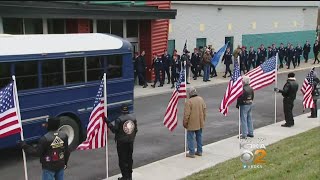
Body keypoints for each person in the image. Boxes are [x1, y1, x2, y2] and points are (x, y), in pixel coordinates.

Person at [105, 104, 138, 180]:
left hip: (122, 142)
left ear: (121, 110)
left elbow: (114, 130)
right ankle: (129, 176)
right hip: (130, 142)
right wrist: (131, 138)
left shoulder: (119, 119)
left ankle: (125, 177)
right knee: (129, 159)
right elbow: (135, 130)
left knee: (122, 160)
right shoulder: (133, 118)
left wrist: (108, 122)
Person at [183, 87, 206, 158]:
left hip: (191, 123)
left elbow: (186, 115)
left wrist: (185, 123)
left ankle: (191, 152)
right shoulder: (201, 99)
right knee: (199, 137)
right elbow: (204, 111)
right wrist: (203, 120)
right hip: (200, 122)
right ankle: (199, 151)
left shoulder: (189, 102)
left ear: (189, 93)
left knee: (190, 138)